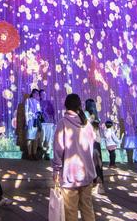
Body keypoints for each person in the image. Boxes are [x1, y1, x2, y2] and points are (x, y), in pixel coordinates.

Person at [53, 93, 97, 221]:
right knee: (88, 209)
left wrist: (56, 169)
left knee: (70, 212)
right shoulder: (86, 124)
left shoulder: (62, 123)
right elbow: (91, 146)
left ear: (65, 106)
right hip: (87, 173)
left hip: (70, 176)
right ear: (79, 105)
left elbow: (58, 149)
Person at [84, 98, 105, 191]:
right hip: (97, 140)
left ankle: (92, 182)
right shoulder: (96, 115)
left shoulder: (86, 114)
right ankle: (99, 182)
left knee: (91, 161)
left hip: (89, 141)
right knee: (98, 160)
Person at [39, 88, 56, 160]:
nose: (44, 95)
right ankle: (42, 151)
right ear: (40, 95)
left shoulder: (49, 102)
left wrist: (54, 120)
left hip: (49, 122)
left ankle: (47, 153)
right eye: (42, 94)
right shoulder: (38, 103)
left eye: (44, 94)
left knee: (49, 138)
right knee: (42, 138)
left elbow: (53, 112)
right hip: (42, 123)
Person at [25, 88, 42, 160]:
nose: (37, 95)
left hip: (36, 121)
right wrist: (26, 121)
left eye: (38, 94)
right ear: (33, 93)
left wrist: (39, 115)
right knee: (29, 138)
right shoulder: (28, 100)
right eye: (36, 93)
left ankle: (34, 153)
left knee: (35, 138)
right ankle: (29, 154)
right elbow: (26, 111)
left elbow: (39, 111)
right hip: (30, 120)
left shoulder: (37, 102)